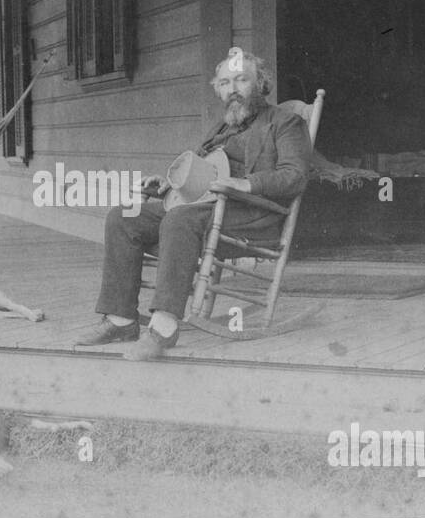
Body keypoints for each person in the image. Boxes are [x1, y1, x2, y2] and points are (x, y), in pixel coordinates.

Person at [75, 49, 311, 361]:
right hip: (205, 208)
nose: (233, 89)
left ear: (260, 84)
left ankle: (163, 327)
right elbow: (199, 178)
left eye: (242, 80)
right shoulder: (221, 128)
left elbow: (295, 176)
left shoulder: (285, 122)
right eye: (225, 83)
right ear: (219, 90)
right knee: (124, 216)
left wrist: (244, 183)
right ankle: (121, 320)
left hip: (254, 214)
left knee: (179, 220)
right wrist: (168, 186)